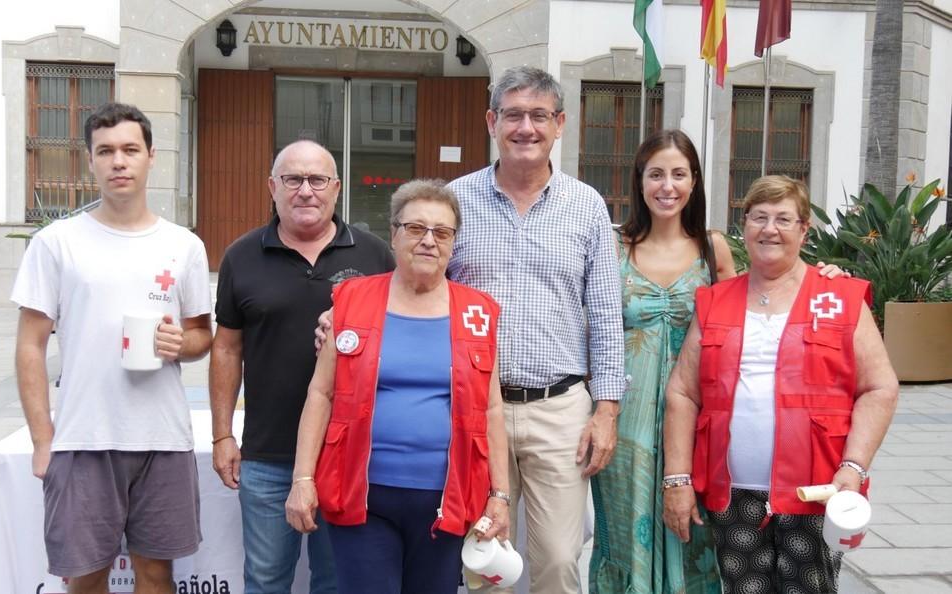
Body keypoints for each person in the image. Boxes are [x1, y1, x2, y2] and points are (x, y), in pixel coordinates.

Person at [662, 175, 899, 594]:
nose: (770, 229)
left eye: (784, 219)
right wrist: (677, 480)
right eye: (759, 217)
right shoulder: (715, 300)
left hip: (817, 492)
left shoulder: (839, 298)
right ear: (745, 226)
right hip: (733, 496)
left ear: (804, 230)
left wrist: (854, 466)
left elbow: (879, 387)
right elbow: (683, 391)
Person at [12, 102, 213, 593]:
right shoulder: (57, 243)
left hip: (162, 437)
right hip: (84, 438)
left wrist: (178, 343)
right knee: (83, 578)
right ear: (90, 161)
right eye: (105, 151)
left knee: (155, 573)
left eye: (129, 149)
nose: (118, 161)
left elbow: (202, 336)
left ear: (150, 157)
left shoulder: (183, 245)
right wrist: (44, 440)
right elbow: (30, 346)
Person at [446, 66, 625, 594]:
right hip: (477, 408)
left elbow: (606, 317)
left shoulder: (587, 206)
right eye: (514, 115)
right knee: (484, 562)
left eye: (539, 115)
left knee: (560, 564)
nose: (526, 127)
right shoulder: (455, 200)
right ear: (491, 121)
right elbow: (423, 287)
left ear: (560, 123)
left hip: (559, 411)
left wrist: (606, 410)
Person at [285, 180, 510, 594]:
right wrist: (303, 479)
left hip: (448, 499)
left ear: (453, 244)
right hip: (362, 496)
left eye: (442, 232)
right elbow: (321, 394)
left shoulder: (478, 312)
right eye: (415, 228)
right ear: (394, 234)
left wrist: (500, 494)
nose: (428, 241)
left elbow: (491, 409)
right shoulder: (351, 300)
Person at [209, 140, 394, 594]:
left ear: (336, 189)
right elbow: (227, 349)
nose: (305, 191)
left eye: (316, 180)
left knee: (338, 582)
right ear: (273, 187)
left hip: (349, 455)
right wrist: (222, 433)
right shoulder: (242, 256)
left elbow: (403, 338)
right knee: (266, 579)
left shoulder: (375, 257)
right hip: (269, 454)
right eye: (293, 180)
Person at [589, 129, 733, 593]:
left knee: (694, 530)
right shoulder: (615, 248)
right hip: (626, 420)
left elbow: (752, 310)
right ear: (639, 181)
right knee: (626, 533)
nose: (666, 186)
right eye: (656, 174)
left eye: (678, 174)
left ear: (694, 182)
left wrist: (825, 276)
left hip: (695, 416)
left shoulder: (713, 249)